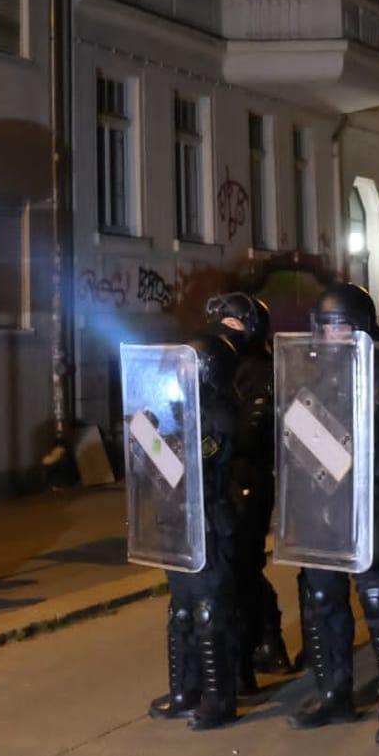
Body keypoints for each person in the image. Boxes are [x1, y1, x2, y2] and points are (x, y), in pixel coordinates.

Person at [287, 283, 379, 746]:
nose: (334, 335)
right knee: (324, 604)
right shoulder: (308, 378)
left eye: (343, 326)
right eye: (328, 327)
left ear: (361, 329)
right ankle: (335, 693)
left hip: (371, 509)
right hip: (323, 512)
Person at [146, 294, 248, 730]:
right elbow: (161, 469)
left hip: (208, 521)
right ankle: (185, 688)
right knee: (183, 610)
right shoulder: (179, 409)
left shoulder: (222, 417)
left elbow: (185, 466)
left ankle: (217, 697)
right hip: (176, 521)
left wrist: (150, 442)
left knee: (210, 613)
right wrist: (143, 437)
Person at [205, 292, 292, 685]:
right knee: (234, 568)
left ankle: (263, 644)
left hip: (248, 479)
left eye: (235, 323)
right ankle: (256, 647)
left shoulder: (257, 370)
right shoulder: (218, 365)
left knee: (242, 567)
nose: (227, 328)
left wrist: (219, 436)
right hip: (223, 480)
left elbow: (250, 431)